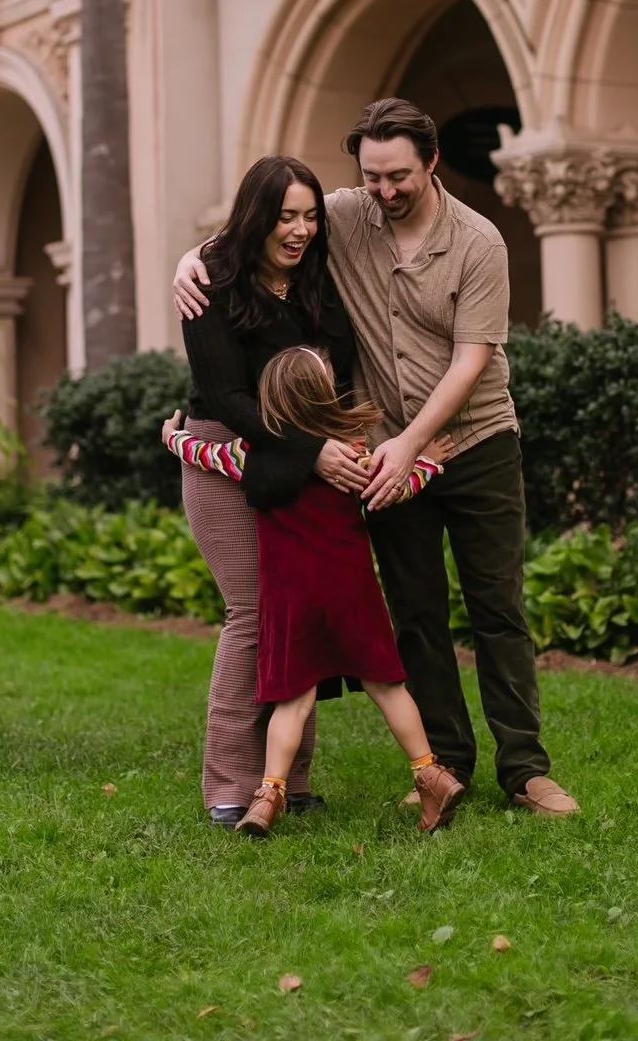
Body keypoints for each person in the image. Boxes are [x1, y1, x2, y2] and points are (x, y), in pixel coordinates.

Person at [175, 98, 579, 819]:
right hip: (382, 452)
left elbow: (472, 359)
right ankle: (445, 762)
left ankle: (525, 771)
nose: (385, 191)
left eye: (399, 176)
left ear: (431, 163)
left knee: (497, 610)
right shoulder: (347, 215)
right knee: (416, 615)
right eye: (372, 177)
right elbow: (264, 215)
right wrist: (195, 255)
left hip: (472, 439)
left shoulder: (479, 243)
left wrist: (409, 444)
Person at [163, 347, 462, 837]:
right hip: (353, 593)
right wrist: (429, 464)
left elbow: (204, 454)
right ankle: (430, 772)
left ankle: (269, 794)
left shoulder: (250, 456)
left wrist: (173, 438)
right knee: (387, 686)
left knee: (293, 699)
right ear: (326, 395)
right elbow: (394, 489)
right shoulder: (352, 452)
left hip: (293, 599)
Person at [172, 152, 370, 828]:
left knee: (297, 612)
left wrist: (323, 450)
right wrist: (313, 451)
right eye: (285, 216)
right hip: (226, 457)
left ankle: (290, 781)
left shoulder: (318, 286)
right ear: (257, 218)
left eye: (310, 217)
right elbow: (229, 398)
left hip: (302, 459)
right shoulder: (212, 288)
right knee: (255, 613)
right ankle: (231, 786)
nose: (300, 230)